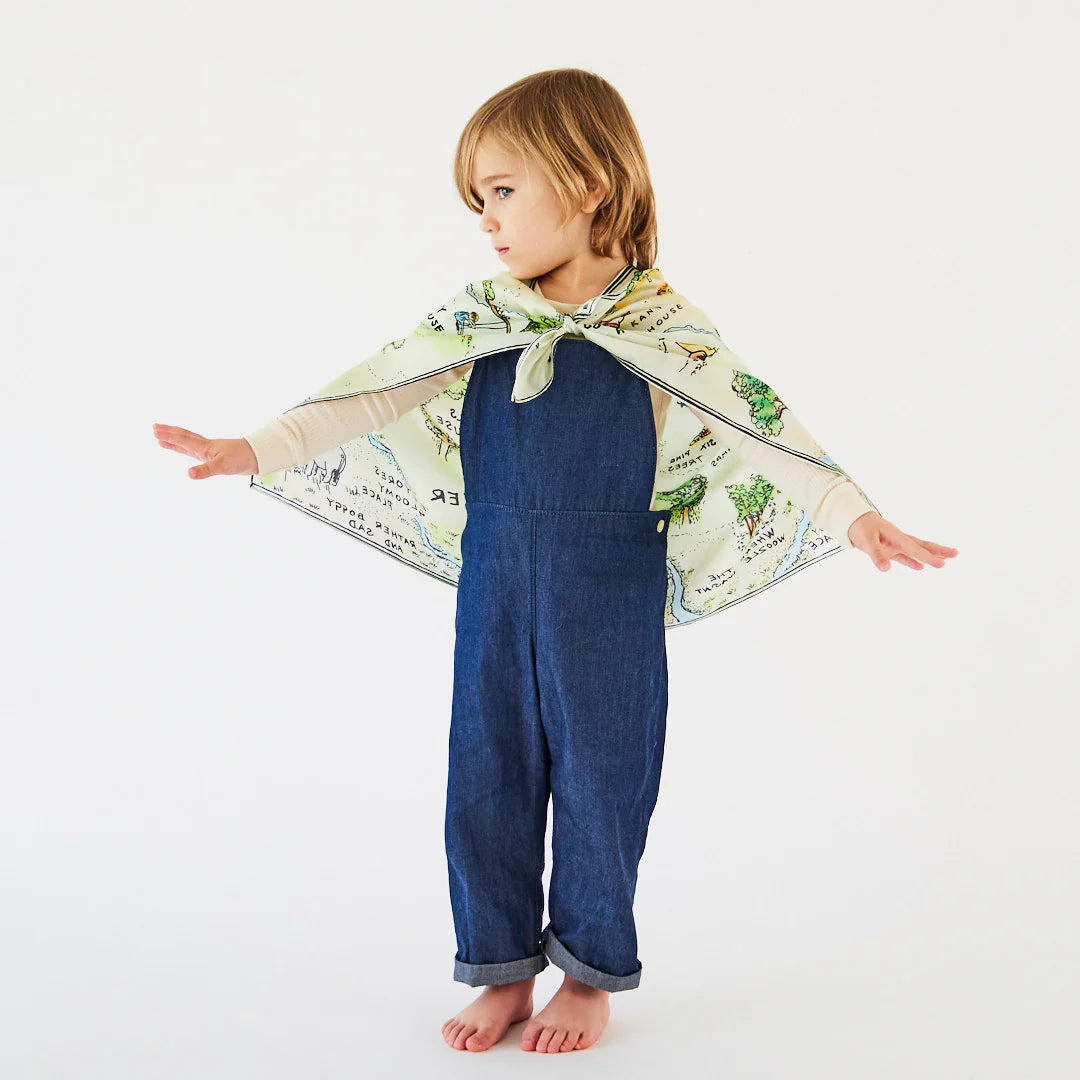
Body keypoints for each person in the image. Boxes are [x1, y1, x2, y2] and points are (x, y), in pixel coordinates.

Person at [152, 68, 958, 1055]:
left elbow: (760, 427)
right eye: (476, 201)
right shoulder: (485, 317)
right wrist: (255, 447)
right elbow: (373, 393)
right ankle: (498, 968)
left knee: (601, 776)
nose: (485, 222)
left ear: (585, 183)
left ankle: (587, 974)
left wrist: (854, 515)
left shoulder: (662, 326)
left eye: (500, 191)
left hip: (607, 580)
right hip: (495, 578)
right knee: (486, 769)